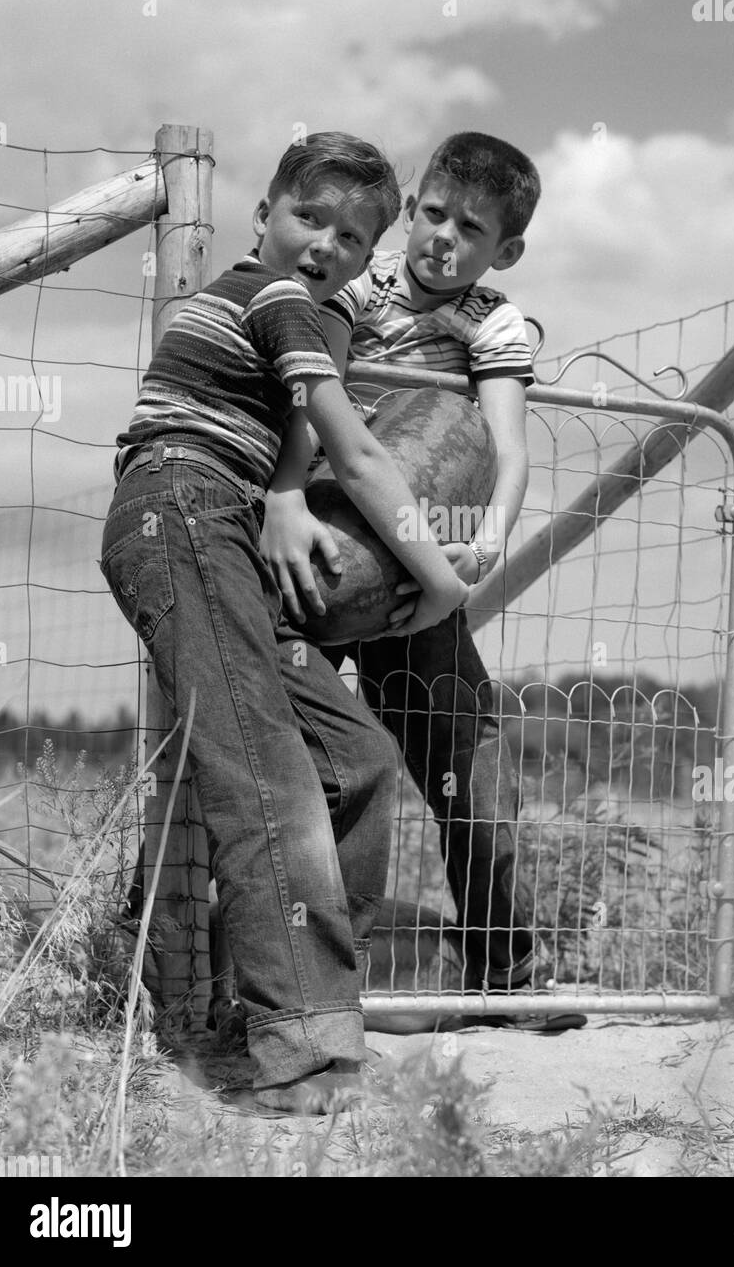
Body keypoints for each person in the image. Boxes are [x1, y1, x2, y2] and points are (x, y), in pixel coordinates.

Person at [101, 133, 469, 1115]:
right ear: (264, 212)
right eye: (310, 217)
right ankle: (301, 1057)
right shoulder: (274, 296)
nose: (326, 245)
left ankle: (285, 1005)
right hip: (179, 507)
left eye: (353, 236)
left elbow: (303, 444)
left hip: (225, 517)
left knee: (355, 761)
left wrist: (279, 494)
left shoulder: (311, 311)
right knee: (265, 775)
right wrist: (439, 584)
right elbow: (355, 455)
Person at [262, 131, 585, 1030]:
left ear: (504, 249)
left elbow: (506, 447)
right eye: (434, 214)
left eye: (470, 228)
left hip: (418, 580)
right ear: (412, 211)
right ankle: (267, 970)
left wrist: (480, 546)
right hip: (321, 551)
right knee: (286, 764)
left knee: (470, 771)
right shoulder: (356, 286)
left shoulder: (495, 323)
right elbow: (297, 392)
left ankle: (507, 975)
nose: (443, 238)